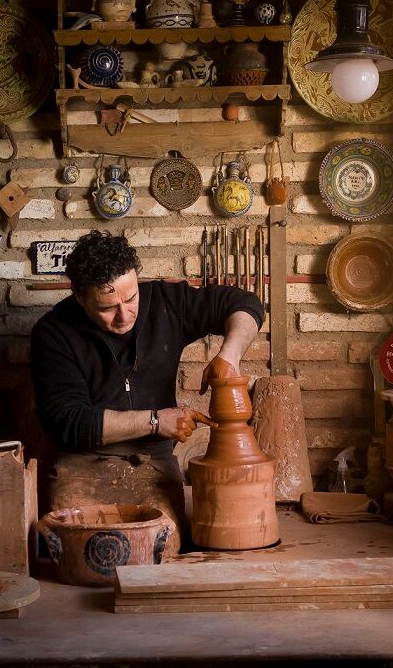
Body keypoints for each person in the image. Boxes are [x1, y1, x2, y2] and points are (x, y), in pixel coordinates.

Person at [30, 230, 264, 548]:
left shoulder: (165, 302)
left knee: (159, 547)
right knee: (80, 548)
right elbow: (69, 422)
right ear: (80, 297)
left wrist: (230, 354)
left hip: (151, 461)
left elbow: (244, 303)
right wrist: (156, 421)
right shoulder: (53, 332)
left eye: (130, 298)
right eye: (107, 307)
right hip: (82, 463)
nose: (124, 314)